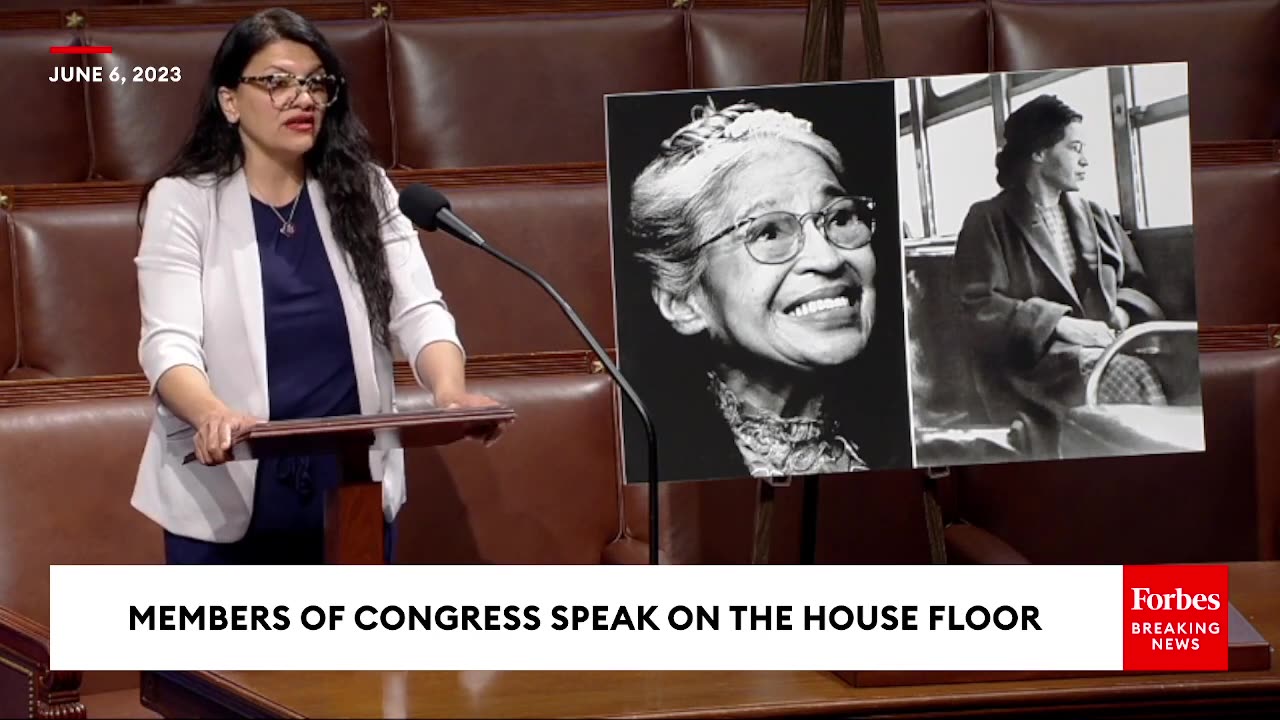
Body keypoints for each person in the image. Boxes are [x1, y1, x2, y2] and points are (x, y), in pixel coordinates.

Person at [131, 8, 498, 565]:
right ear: (230, 101)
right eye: (276, 82)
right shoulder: (184, 201)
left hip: (351, 481)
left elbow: (420, 313)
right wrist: (210, 412)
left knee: (353, 655)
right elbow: (168, 342)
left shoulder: (366, 189)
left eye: (315, 82)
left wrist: (449, 392)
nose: (301, 98)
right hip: (229, 487)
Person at [625, 100, 892, 481]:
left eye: (840, 217)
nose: (829, 258)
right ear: (684, 303)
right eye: (768, 232)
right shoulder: (645, 457)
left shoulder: (919, 426)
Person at [951, 94, 1166, 457]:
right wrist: (1059, 325)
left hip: (1106, 346)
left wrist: (1120, 312)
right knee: (1128, 375)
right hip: (1031, 366)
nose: (1085, 160)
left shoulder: (1096, 215)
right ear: (1039, 153)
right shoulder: (987, 219)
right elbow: (978, 307)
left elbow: (1135, 283)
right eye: (1074, 148)